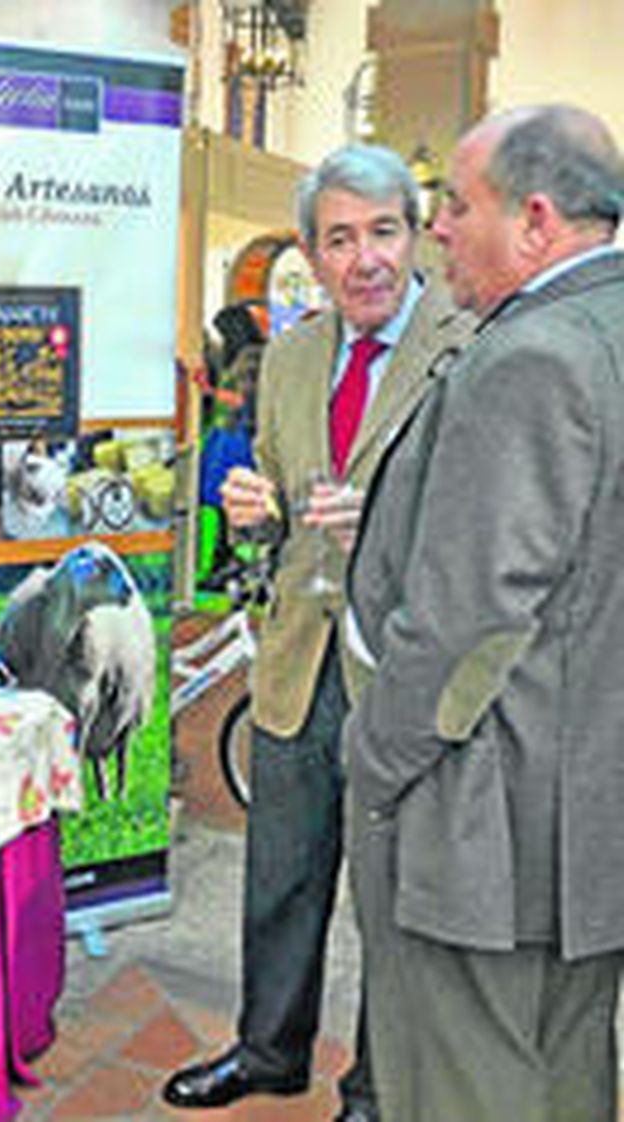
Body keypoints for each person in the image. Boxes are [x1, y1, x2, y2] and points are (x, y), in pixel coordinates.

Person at [162, 144, 474, 1122]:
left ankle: (378, 1090)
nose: (365, 259)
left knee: (392, 902)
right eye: (339, 239)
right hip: (300, 655)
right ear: (312, 253)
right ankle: (267, 1051)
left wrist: (386, 523)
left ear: (415, 235)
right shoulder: (291, 354)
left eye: (382, 232)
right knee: (282, 873)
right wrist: (251, 504)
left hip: (409, 670)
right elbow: (273, 483)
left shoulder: (470, 348)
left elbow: (492, 520)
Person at [343, 104, 624, 1122]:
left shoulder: (531, 359)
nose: (437, 232)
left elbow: (469, 619)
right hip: (585, 815)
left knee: (466, 1082)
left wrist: (375, 755)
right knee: (564, 1071)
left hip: (488, 830)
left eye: (456, 207)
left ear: (537, 220)